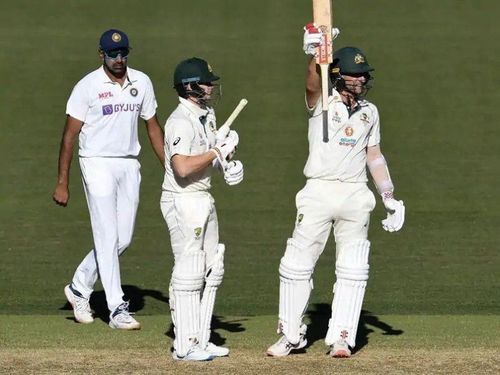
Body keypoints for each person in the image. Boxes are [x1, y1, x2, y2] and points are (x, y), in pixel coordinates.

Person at [266, 24, 405, 358]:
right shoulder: (323, 103)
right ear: (339, 76)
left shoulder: (370, 112)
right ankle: (290, 334)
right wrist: (315, 56)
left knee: (353, 267)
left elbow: (375, 156)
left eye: (363, 76)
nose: (361, 81)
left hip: (355, 194)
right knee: (296, 264)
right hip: (318, 191)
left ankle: (341, 336)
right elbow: (312, 83)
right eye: (355, 76)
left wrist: (389, 197)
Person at [52, 29, 165, 330]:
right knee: (106, 234)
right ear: (101, 54)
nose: (119, 59)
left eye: (123, 53)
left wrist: (171, 167)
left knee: (122, 238)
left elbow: (153, 127)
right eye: (112, 54)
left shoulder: (141, 82)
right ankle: (117, 309)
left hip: (129, 164)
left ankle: (79, 287)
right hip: (96, 162)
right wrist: (63, 181)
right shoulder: (87, 86)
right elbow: (68, 137)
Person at [160, 57, 243, 361]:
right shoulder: (179, 121)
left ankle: (201, 338)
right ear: (190, 86)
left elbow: (209, 159)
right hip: (182, 200)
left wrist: (227, 163)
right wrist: (215, 151)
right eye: (206, 82)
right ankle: (184, 344)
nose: (211, 87)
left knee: (211, 268)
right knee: (189, 269)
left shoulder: (207, 115)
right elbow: (182, 167)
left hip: (202, 196)